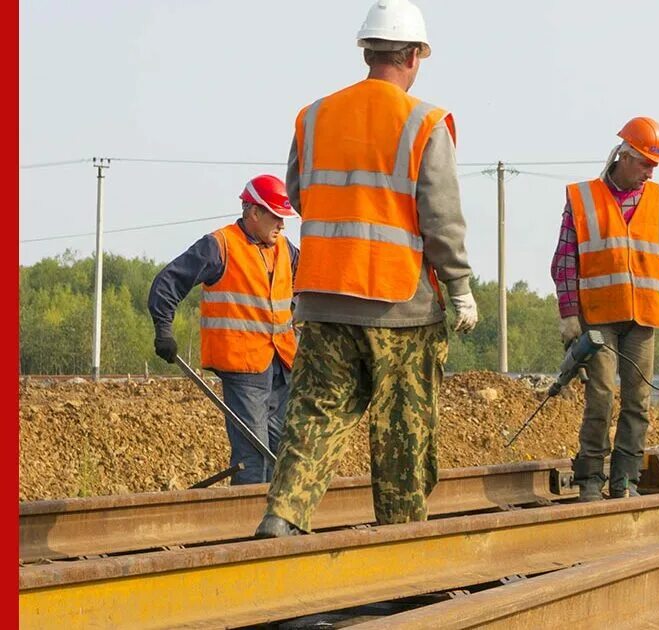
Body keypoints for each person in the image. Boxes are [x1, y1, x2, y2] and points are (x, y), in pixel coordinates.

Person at [255, 0, 476, 537]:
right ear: (415, 55)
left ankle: (283, 515)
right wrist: (461, 288)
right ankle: (400, 547)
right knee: (401, 430)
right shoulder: (425, 122)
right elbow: (440, 218)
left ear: (368, 51)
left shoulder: (314, 116)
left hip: (325, 296)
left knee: (314, 414)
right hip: (401, 305)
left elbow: (301, 196)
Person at [551, 116, 659, 502]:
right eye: (645, 163)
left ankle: (626, 481)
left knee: (638, 401)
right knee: (600, 395)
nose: (650, 173)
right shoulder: (584, 198)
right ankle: (589, 481)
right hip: (597, 316)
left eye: (655, 166)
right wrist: (569, 313)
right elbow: (565, 260)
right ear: (624, 155)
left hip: (644, 316)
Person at [148, 174, 298, 485]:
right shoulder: (219, 246)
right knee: (254, 457)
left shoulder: (286, 250)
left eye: (285, 218)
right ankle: (248, 526)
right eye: (276, 217)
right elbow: (168, 283)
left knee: (285, 451)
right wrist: (164, 329)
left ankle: (280, 524)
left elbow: (311, 287)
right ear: (253, 212)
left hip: (283, 365)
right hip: (244, 369)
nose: (282, 225)